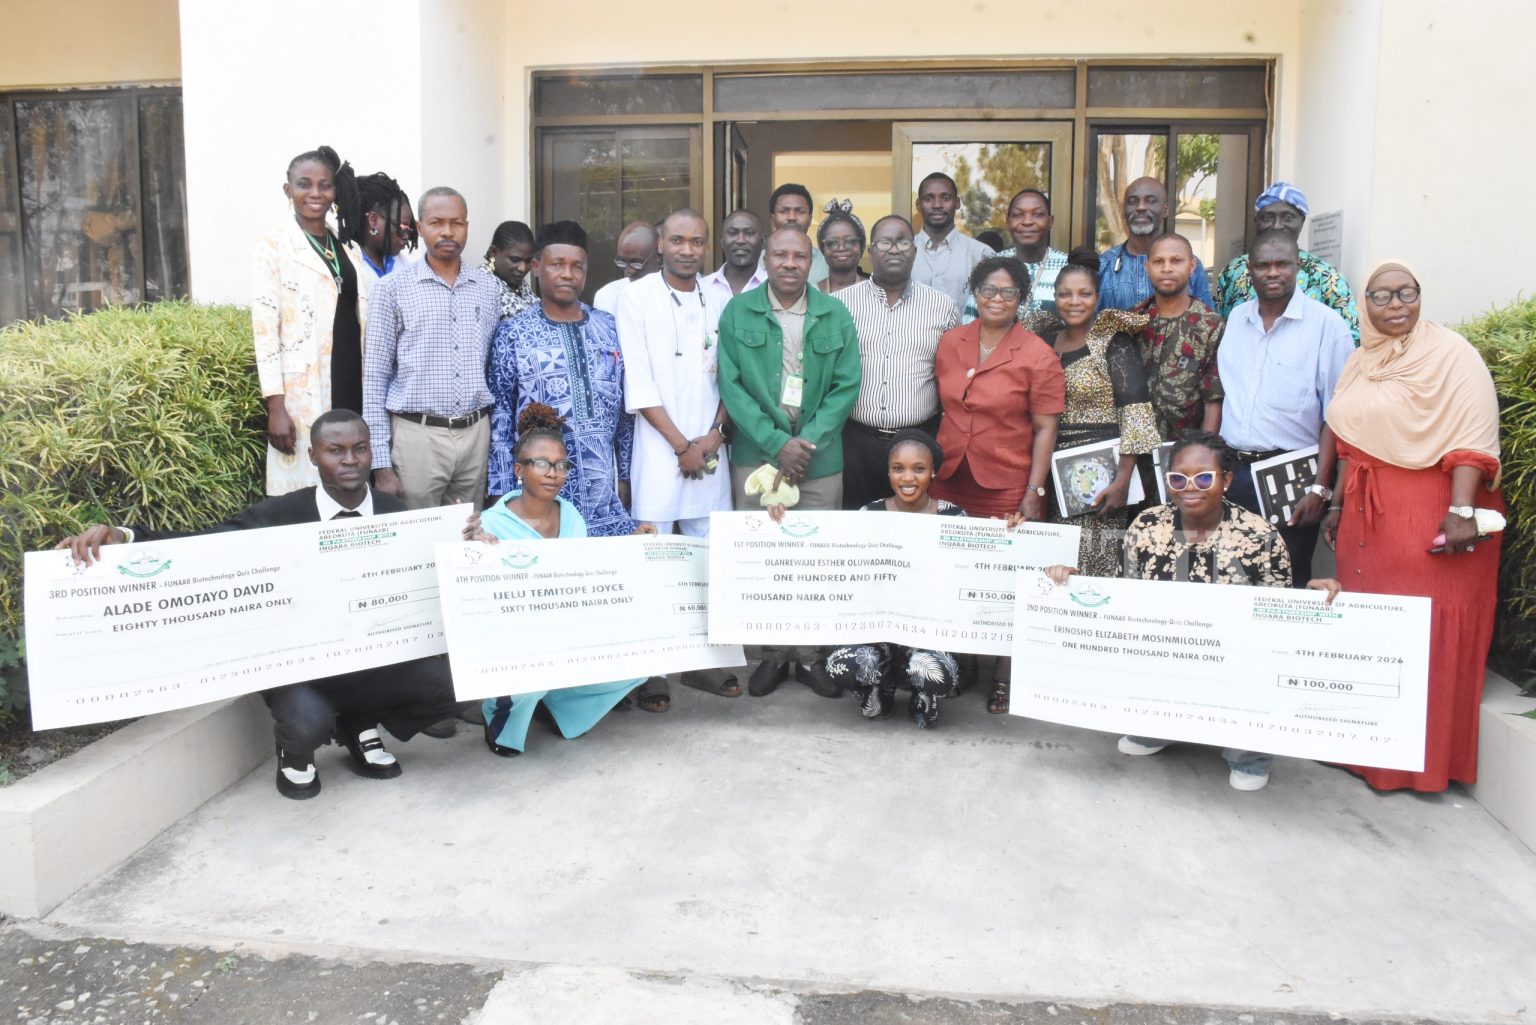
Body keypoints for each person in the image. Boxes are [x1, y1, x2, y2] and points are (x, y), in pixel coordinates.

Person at [57, 410, 462, 800]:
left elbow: (427, 570)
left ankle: (359, 723)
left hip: (370, 660)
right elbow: (205, 545)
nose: (350, 460)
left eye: (360, 448)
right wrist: (125, 538)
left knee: (455, 683)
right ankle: (296, 750)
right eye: (335, 450)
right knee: (306, 723)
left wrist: (467, 544)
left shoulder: (395, 513)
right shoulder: (279, 514)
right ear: (313, 456)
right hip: (300, 666)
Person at [1045, 432, 1341, 791]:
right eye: (1178, 478)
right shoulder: (1147, 525)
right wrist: (1073, 583)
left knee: (1256, 670)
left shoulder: (1260, 536)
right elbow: (1122, 597)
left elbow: (1275, 623)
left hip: (1232, 657)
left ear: (1226, 480)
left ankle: (1248, 755)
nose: (1190, 487)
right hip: (1164, 649)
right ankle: (1156, 727)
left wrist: (1312, 602)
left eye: (1203, 478)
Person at [1323, 261, 1503, 792]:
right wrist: (1335, 505)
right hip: (1367, 518)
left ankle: (1420, 766)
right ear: (1365, 305)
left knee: (1426, 632)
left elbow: (1474, 436)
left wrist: (1462, 511)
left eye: (1407, 293)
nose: (1396, 305)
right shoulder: (1360, 360)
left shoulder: (1452, 354)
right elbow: (1348, 439)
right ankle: (1364, 754)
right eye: (1381, 296)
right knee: (1372, 634)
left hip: (1432, 513)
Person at [717, 225, 860, 697]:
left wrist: (806, 443)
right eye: (780, 255)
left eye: (799, 256)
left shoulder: (835, 314)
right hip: (756, 456)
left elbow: (846, 386)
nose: (789, 263)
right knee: (765, 560)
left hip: (819, 460)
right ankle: (774, 655)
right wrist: (777, 442)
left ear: (811, 260)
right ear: (766, 259)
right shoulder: (738, 312)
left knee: (814, 561)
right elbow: (731, 386)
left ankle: (812, 656)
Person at [932, 256, 1065, 714]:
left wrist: (1035, 490)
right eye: (988, 289)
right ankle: (965, 665)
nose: (997, 299)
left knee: (1007, 583)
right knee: (958, 576)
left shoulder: (1037, 354)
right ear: (974, 292)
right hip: (951, 478)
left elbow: (1045, 428)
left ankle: (1005, 676)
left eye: (1008, 292)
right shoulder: (951, 342)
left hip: (1008, 482)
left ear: (1021, 299)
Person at [614, 208, 738, 699]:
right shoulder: (636, 297)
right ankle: (653, 671)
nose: (688, 250)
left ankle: (705, 661)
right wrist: (681, 445)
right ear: (661, 245)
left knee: (709, 559)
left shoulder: (722, 298)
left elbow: (733, 375)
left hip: (710, 448)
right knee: (656, 558)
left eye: (697, 242)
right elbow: (639, 381)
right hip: (658, 448)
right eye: (679, 240)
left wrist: (714, 435)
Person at [476, 404, 647, 756]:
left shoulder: (571, 516)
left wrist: (634, 547)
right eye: (541, 463)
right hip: (517, 642)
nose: (553, 473)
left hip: (564, 632)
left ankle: (558, 707)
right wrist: (475, 554)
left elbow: (586, 573)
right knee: (531, 677)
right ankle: (501, 715)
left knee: (640, 663)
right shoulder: (490, 526)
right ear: (519, 470)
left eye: (561, 465)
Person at [782, 430, 965, 728]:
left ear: (933, 471)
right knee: (841, 665)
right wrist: (780, 520)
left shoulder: (954, 519)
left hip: (926, 633)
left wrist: (1009, 532)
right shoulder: (868, 515)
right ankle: (879, 688)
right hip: (877, 633)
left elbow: (970, 574)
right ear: (888, 472)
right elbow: (835, 561)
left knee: (934, 672)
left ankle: (923, 696)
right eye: (898, 468)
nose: (908, 478)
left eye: (919, 469)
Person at [1217, 230, 1354, 585]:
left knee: (1285, 580)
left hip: (1290, 475)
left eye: (1282, 264)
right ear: (1250, 269)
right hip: (1234, 473)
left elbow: (1337, 417)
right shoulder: (1236, 320)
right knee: (1229, 576)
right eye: (1263, 265)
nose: (1273, 272)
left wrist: (1320, 489)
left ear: (1298, 266)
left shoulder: (1328, 326)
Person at [362, 186, 500, 510]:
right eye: (437, 222)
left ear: (467, 226)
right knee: (417, 533)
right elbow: (375, 377)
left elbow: (491, 366)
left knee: (469, 532)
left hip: (475, 435)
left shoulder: (488, 288)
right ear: (420, 227)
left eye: (457, 223)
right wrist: (380, 463)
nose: (448, 231)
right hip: (417, 437)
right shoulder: (391, 289)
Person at [1035, 247, 1160, 577]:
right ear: (1054, 297)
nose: (1074, 301)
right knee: (1053, 561)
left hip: (1101, 472)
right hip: (1048, 469)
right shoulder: (1042, 339)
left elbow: (1135, 412)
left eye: (1084, 294)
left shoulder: (1112, 340)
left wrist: (1122, 479)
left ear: (1098, 297)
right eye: (1065, 294)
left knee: (1094, 563)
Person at [252, 144, 370, 495]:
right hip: (303, 388)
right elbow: (264, 328)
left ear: (335, 191)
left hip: (351, 377)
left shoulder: (348, 246)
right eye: (304, 184)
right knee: (305, 486)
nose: (315, 193)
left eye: (325, 185)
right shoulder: (274, 245)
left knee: (349, 479)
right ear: (288, 190)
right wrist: (276, 405)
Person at [833, 214, 958, 510]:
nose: (893, 249)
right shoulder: (840, 305)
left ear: (914, 250)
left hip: (919, 443)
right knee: (858, 527)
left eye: (902, 242)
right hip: (856, 443)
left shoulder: (942, 306)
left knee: (915, 529)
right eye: (884, 242)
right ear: (870, 250)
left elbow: (950, 375)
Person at [1214, 182, 1359, 342]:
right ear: (1256, 222)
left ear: (1301, 222)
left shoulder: (1327, 277)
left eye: (1288, 218)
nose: (1277, 226)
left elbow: (1351, 338)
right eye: (1268, 218)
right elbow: (1219, 331)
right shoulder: (1232, 272)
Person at [1130, 233, 1225, 439]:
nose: (1167, 268)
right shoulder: (1132, 319)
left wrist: (1203, 450)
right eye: (1158, 261)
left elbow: (1213, 400)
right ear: (1147, 267)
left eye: (1176, 261)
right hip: (1134, 445)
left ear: (1192, 266)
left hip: (1185, 445)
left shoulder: (1210, 325)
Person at [1097, 177, 1214, 311]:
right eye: (1132, 202)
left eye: (1150, 201)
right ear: (1123, 210)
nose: (1140, 207)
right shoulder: (1103, 266)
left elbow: (1206, 319)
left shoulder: (1189, 266)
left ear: (1165, 209)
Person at [961, 188, 1065, 324]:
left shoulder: (1069, 267)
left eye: (1038, 214)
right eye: (1017, 215)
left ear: (1050, 221)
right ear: (1008, 222)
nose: (1027, 221)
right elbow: (969, 325)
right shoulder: (990, 267)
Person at [910, 171, 994, 308]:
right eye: (929, 198)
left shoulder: (980, 254)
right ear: (918, 205)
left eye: (945, 198)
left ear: (957, 203)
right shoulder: (903, 252)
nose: (937, 205)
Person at [349, 172, 416, 283]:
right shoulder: (347, 263)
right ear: (373, 220)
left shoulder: (404, 265)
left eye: (409, 229)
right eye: (402, 228)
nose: (406, 237)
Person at [760, 183, 828, 285]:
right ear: (773, 219)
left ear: (810, 219)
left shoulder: (827, 262)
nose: (792, 217)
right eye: (784, 211)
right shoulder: (756, 263)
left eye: (800, 211)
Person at [593, 221, 661, 314]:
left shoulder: (675, 294)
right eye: (623, 262)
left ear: (658, 256)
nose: (628, 271)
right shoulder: (607, 296)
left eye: (636, 263)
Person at [702, 209, 766, 305]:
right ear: (722, 240)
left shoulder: (773, 287)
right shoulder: (702, 287)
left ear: (763, 240)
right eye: (733, 233)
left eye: (749, 233)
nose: (740, 240)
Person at [485, 220, 537, 320]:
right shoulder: (482, 285)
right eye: (515, 260)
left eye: (528, 261)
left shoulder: (518, 283)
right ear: (494, 252)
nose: (523, 268)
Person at [815, 199, 868, 294]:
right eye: (832, 243)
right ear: (822, 249)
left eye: (850, 241)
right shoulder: (811, 293)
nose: (841, 248)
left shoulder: (877, 293)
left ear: (861, 246)